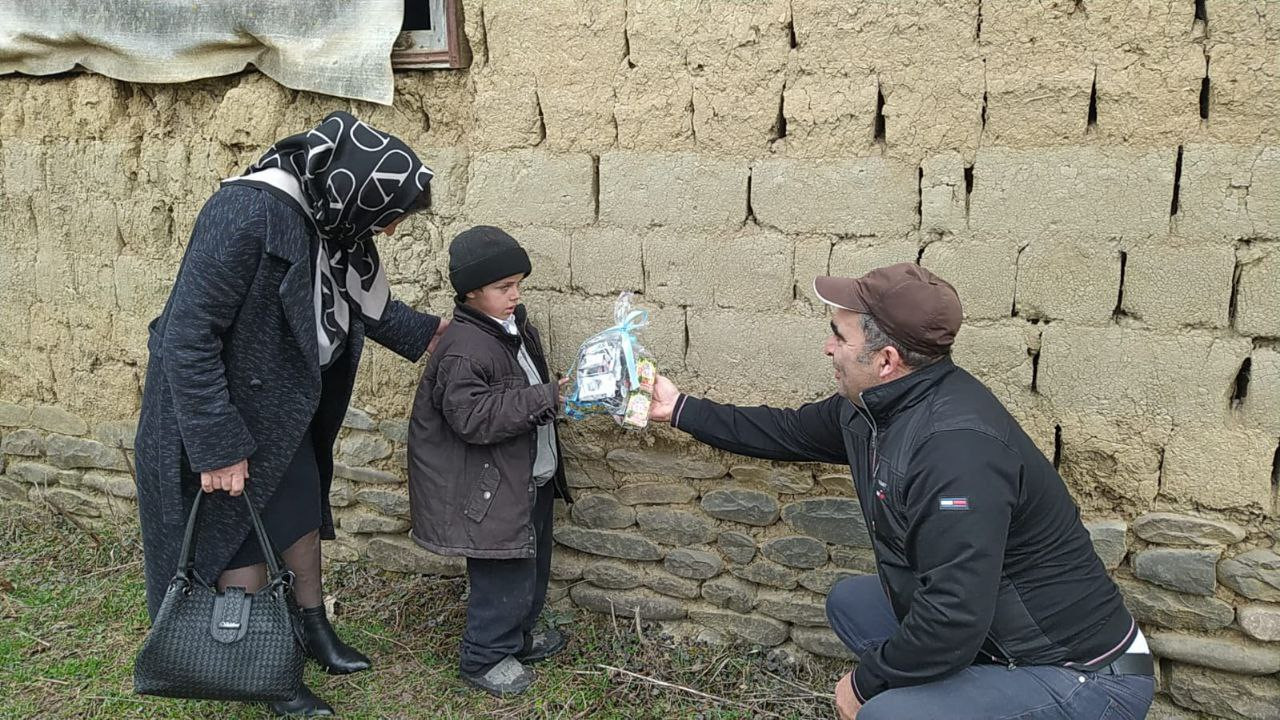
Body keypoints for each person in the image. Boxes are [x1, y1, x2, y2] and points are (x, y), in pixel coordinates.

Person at [649, 263, 1155, 720]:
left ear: (886, 359)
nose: (829, 347)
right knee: (853, 604)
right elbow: (786, 431)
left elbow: (954, 615)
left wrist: (867, 685)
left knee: (887, 714)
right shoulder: (876, 408)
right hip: (999, 635)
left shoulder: (956, 452)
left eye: (838, 336)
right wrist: (679, 409)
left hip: (1090, 673)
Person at [134, 111, 448, 717]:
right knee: (240, 540)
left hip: (278, 409)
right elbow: (186, 336)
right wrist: (219, 443)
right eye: (385, 217)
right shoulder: (245, 214)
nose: (383, 232)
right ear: (357, 189)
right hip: (219, 414)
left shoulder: (327, 219)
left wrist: (437, 334)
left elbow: (363, 304)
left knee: (301, 512)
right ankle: (262, 667)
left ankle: (311, 629)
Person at [406, 226, 571, 698]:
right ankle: (482, 656)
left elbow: (524, 390)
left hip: (524, 477)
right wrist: (548, 397)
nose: (515, 295)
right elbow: (474, 419)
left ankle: (515, 639)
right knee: (502, 573)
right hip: (489, 489)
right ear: (471, 291)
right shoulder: (464, 349)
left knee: (532, 563)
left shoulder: (514, 330)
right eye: (503, 287)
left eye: (518, 284)